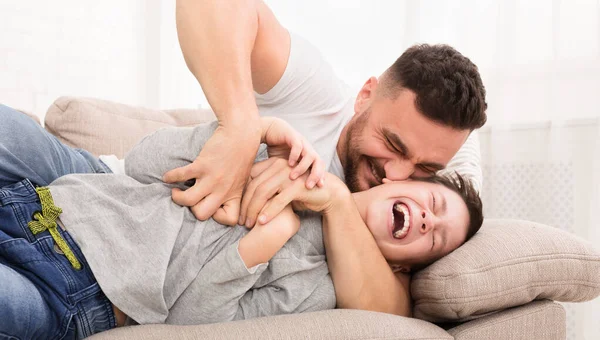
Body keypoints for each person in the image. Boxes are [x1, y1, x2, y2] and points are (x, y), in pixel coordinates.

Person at [0, 116, 483, 339]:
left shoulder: (313, 289)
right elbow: (142, 164)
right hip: (59, 203)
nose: (427, 218)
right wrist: (243, 134)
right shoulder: (294, 161)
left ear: (402, 264)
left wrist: (258, 246)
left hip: (82, 290)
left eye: (435, 236)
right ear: (391, 183)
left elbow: (192, 321)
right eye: (432, 202)